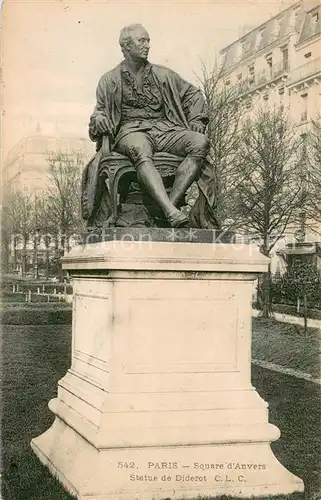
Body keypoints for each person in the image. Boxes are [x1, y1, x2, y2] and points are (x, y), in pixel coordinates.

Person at [86, 23, 210, 228]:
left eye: (148, 40)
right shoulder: (109, 81)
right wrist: (99, 118)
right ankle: (171, 211)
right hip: (130, 132)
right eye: (141, 41)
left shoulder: (164, 75)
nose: (147, 45)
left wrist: (197, 119)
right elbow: (99, 112)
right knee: (140, 149)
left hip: (165, 130)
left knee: (200, 142)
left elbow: (193, 94)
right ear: (126, 46)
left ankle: (168, 208)